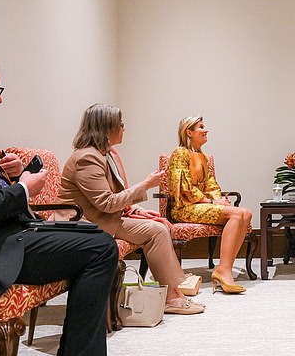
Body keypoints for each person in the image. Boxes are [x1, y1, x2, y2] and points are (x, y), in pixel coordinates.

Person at [0, 52, 141, 356]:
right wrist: (22, 191)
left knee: (97, 238)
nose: (0, 97)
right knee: (100, 248)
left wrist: (13, 174)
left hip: (13, 232)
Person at [54, 103, 204, 315]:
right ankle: (172, 295)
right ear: (106, 128)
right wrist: (145, 185)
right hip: (84, 224)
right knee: (156, 231)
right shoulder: (86, 158)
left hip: (102, 218)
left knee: (158, 226)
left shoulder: (106, 155)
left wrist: (138, 211)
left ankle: (173, 293)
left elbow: (112, 197)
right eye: (120, 124)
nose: (124, 128)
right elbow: (107, 202)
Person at [168, 116, 252, 294]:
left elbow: (211, 185)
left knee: (246, 214)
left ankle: (224, 269)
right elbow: (184, 189)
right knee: (237, 214)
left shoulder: (203, 157)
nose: (206, 130)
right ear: (189, 132)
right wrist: (213, 201)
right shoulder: (180, 153)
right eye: (201, 127)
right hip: (185, 208)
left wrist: (220, 200)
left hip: (202, 205)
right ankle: (224, 270)